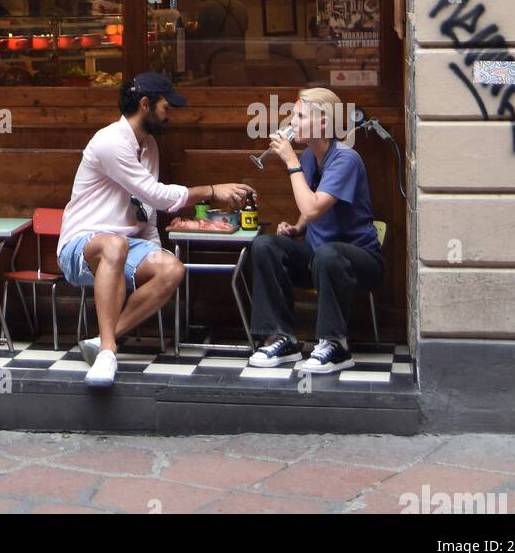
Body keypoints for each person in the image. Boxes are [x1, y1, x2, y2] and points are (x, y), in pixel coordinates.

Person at [57, 72, 251, 387]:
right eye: (166, 107)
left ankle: (101, 339)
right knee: (114, 245)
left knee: (171, 269)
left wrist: (155, 252)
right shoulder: (110, 141)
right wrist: (211, 190)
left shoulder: (148, 147)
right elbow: (156, 195)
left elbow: (145, 209)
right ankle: (108, 352)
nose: (169, 114)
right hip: (80, 247)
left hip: (125, 246)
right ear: (145, 104)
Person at [247, 86, 383, 374]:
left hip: (358, 262)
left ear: (323, 122)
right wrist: (296, 228)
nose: (291, 123)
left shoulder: (346, 159)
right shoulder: (310, 157)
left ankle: (336, 345)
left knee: (328, 254)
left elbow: (313, 207)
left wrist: (291, 162)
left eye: (298, 116)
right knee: (265, 246)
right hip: (320, 258)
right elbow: (310, 208)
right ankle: (282, 338)